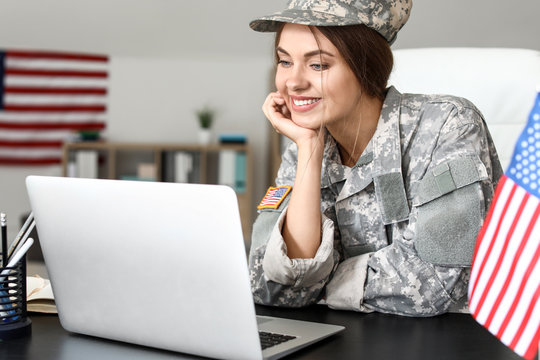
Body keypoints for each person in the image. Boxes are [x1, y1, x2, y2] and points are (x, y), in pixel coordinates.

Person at [248, 0, 503, 317]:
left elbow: (437, 282)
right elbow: (267, 283)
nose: (293, 82)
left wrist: (317, 284)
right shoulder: (303, 146)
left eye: (319, 65)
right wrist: (309, 148)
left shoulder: (448, 125)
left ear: (365, 66)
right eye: (284, 62)